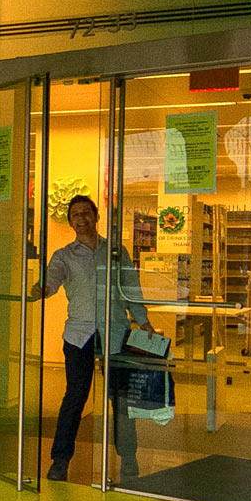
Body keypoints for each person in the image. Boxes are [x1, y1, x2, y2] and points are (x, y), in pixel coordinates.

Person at [28, 194, 151, 483]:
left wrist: (143, 321)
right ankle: (60, 460)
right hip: (79, 335)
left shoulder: (116, 251)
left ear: (96, 217)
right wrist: (43, 288)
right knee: (75, 397)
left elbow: (131, 288)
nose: (81, 218)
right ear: (70, 222)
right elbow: (53, 277)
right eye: (75, 215)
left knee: (120, 398)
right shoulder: (63, 255)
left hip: (116, 332)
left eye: (86, 213)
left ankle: (129, 457)